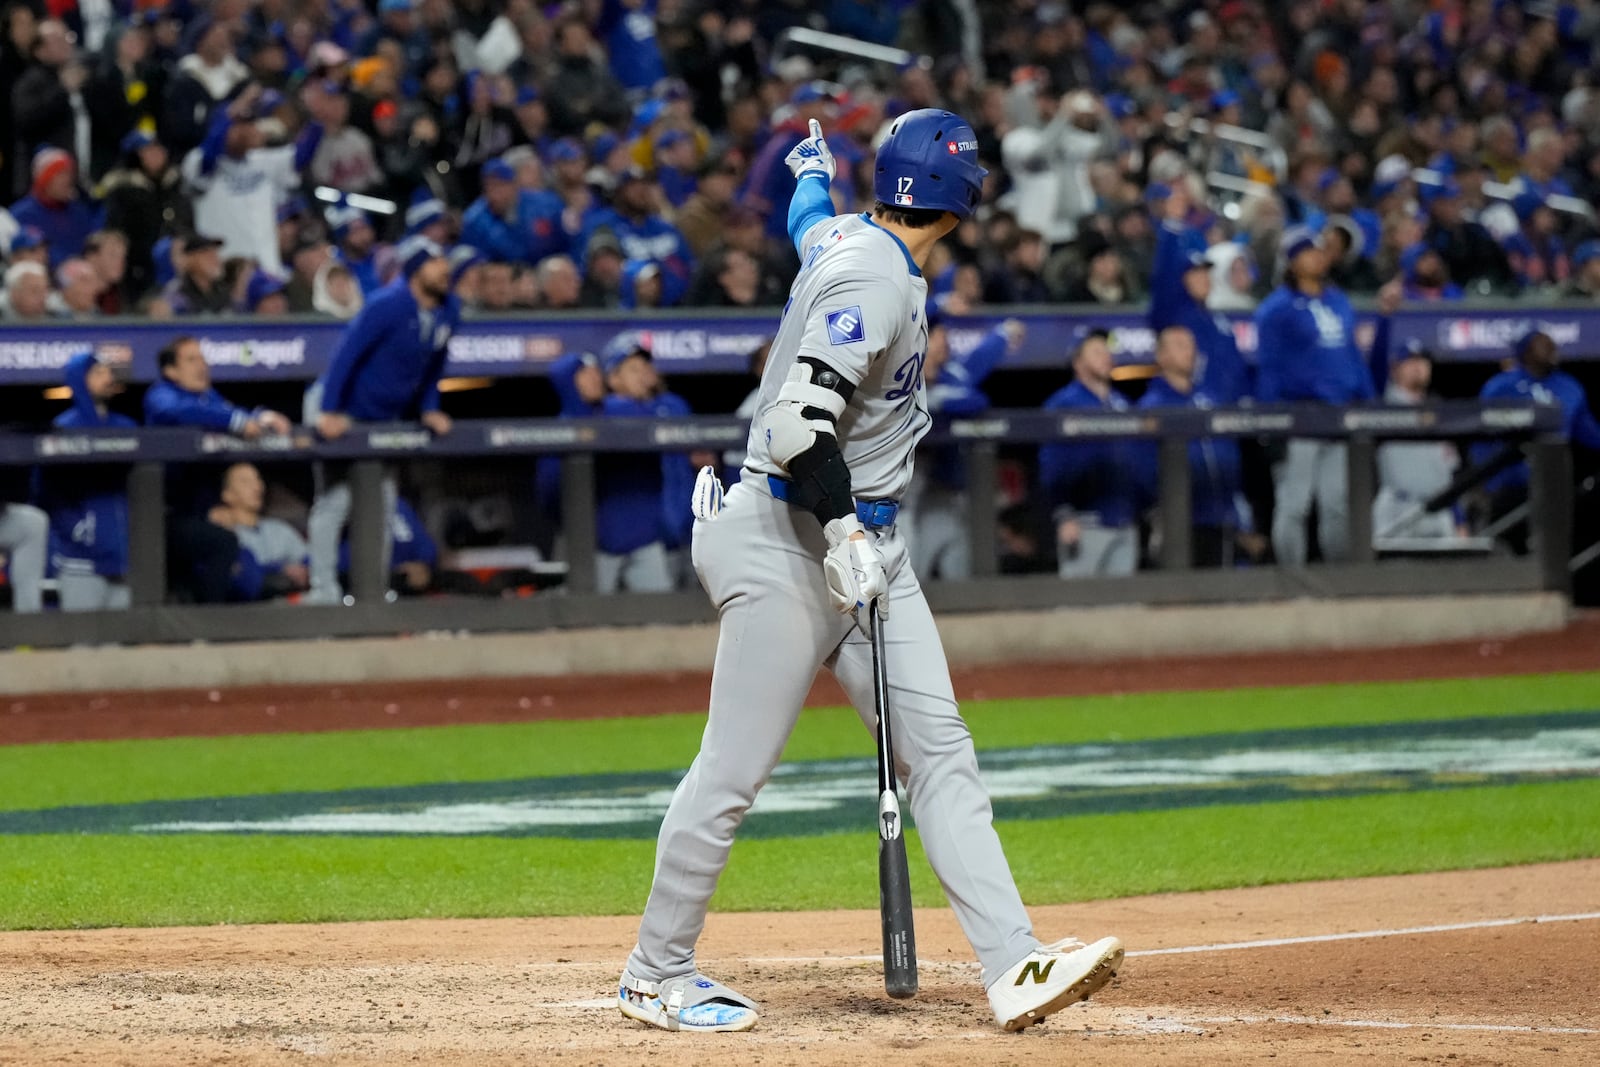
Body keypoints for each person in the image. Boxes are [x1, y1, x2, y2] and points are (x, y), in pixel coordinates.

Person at [618, 110, 1122, 1035]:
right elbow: (793, 426)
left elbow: (809, 219)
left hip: (863, 546)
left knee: (939, 752)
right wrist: (843, 526)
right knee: (732, 771)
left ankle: (1014, 963)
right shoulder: (874, 277)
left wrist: (809, 172)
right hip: (788, 537)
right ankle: (656, 970)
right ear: (959, 198)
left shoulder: (851, 238)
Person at [303, 236, 455, 604]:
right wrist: (329, 410)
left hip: (382, 417)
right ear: (416, 270)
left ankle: (372, 591)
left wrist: (429, 407)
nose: (445, 270)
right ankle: (323, 591)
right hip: (338, 404)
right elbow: (345, 357)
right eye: (436, 263)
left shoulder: (448, 310)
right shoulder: (388, 304)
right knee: (335, 501)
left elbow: (434, 366)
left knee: (384, 502)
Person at [1254, 227, 1377, 566]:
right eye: (1307, 251)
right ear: (1291, 262)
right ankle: (1291, 577)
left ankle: (1338, 576)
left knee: (1337, 504)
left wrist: (1368, 403)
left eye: (1319, 250)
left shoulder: (1338, 300)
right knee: (1295, 503)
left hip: (1339, 416)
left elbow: (1352, 356)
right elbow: (1269, 368)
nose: (1317, 256)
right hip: (1299, 415)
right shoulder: (1275, 309)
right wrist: (1270, 422)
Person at [903, 316, 1018, 580]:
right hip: (901, 500)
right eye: (937, 339)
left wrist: (937, 399)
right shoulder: (898, 380)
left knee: (954, 577)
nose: (944, 346)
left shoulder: (949, 376)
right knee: (909, 578)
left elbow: (976, 398)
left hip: (935, 495)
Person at [1136, 327, 1262, 567]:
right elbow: (1143, 465)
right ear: (1162, 356)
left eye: (1191, 345)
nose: (1190, 352)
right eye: (1180, 346)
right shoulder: (1152, 405)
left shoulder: (1209, 398)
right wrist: (1155, 506)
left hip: (1222, 515)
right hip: (1178, 518)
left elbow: (1229, 452)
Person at [1476, 330, 1600, 554]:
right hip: (1510, 486)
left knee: (1558, 551)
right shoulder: (1501, 386)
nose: (1550, 347)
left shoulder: (1569, 387)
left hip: (1555, 485)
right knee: (1507, 549)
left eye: (1551, 343)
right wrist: (1487, 483)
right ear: (1525, 352)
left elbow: (1589, 434)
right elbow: (1480, 437)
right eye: (1541, 344)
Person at [1039, 330, 1143, 578]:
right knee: (1078, 609)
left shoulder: (1122, 404)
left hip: (1125, 521)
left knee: (1124, 612)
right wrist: (1063, 514)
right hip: (1084, 523)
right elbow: (1050, 465)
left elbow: (1139, 462)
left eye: (1107, 351)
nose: (1106, 356)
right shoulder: (1063, 403)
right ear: (1078, 362)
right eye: (1097, 351)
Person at [40, 351, 134, 611]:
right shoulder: (64, 427)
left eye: (108, 372)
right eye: (98, 373)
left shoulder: (126, 427)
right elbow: (46, 491)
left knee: (122, 644)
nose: (108, 378)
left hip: (122, 559)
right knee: (82, 645)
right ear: (80, 380)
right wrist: (78, 529)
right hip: (79, 561)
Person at [1150, 184, 1251, 403]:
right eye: (1194, 274)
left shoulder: (1218, 318)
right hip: (1194, 414)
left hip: (1227, 417)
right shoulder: (1174, 314)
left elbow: (1235, 367)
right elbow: (1164, 276)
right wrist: (1172, 225)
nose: (1203, 279)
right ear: (1182, 279)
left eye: (1206, 273)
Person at [592, 333, 675, 595]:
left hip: (646, 533)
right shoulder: (605, 410)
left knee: (661, 616)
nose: (643, 375)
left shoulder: (659, 409)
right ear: (613, 378)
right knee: (589, 618)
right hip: (603, 534)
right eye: (633, 369)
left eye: (645, 368)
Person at [1373, 344, 1462, 543]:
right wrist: (1385, 320)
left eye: (1422, 361)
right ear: (1395, 369)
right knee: (1389, 573)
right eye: (1410, 361)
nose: (1418, 366)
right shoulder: (1385, 405)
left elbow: (1449, 473)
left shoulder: (1440, 413)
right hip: (1398, 507)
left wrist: (1459, 518)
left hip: (1438, 508)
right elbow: (1375, 368)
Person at [207, 462, 310, 601]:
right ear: (227, 495)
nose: (256, 487)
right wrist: (280, 570)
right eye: (245, 482)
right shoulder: (221, 534)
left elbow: (308, 560)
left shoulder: (278, 528)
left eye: (258, 480)